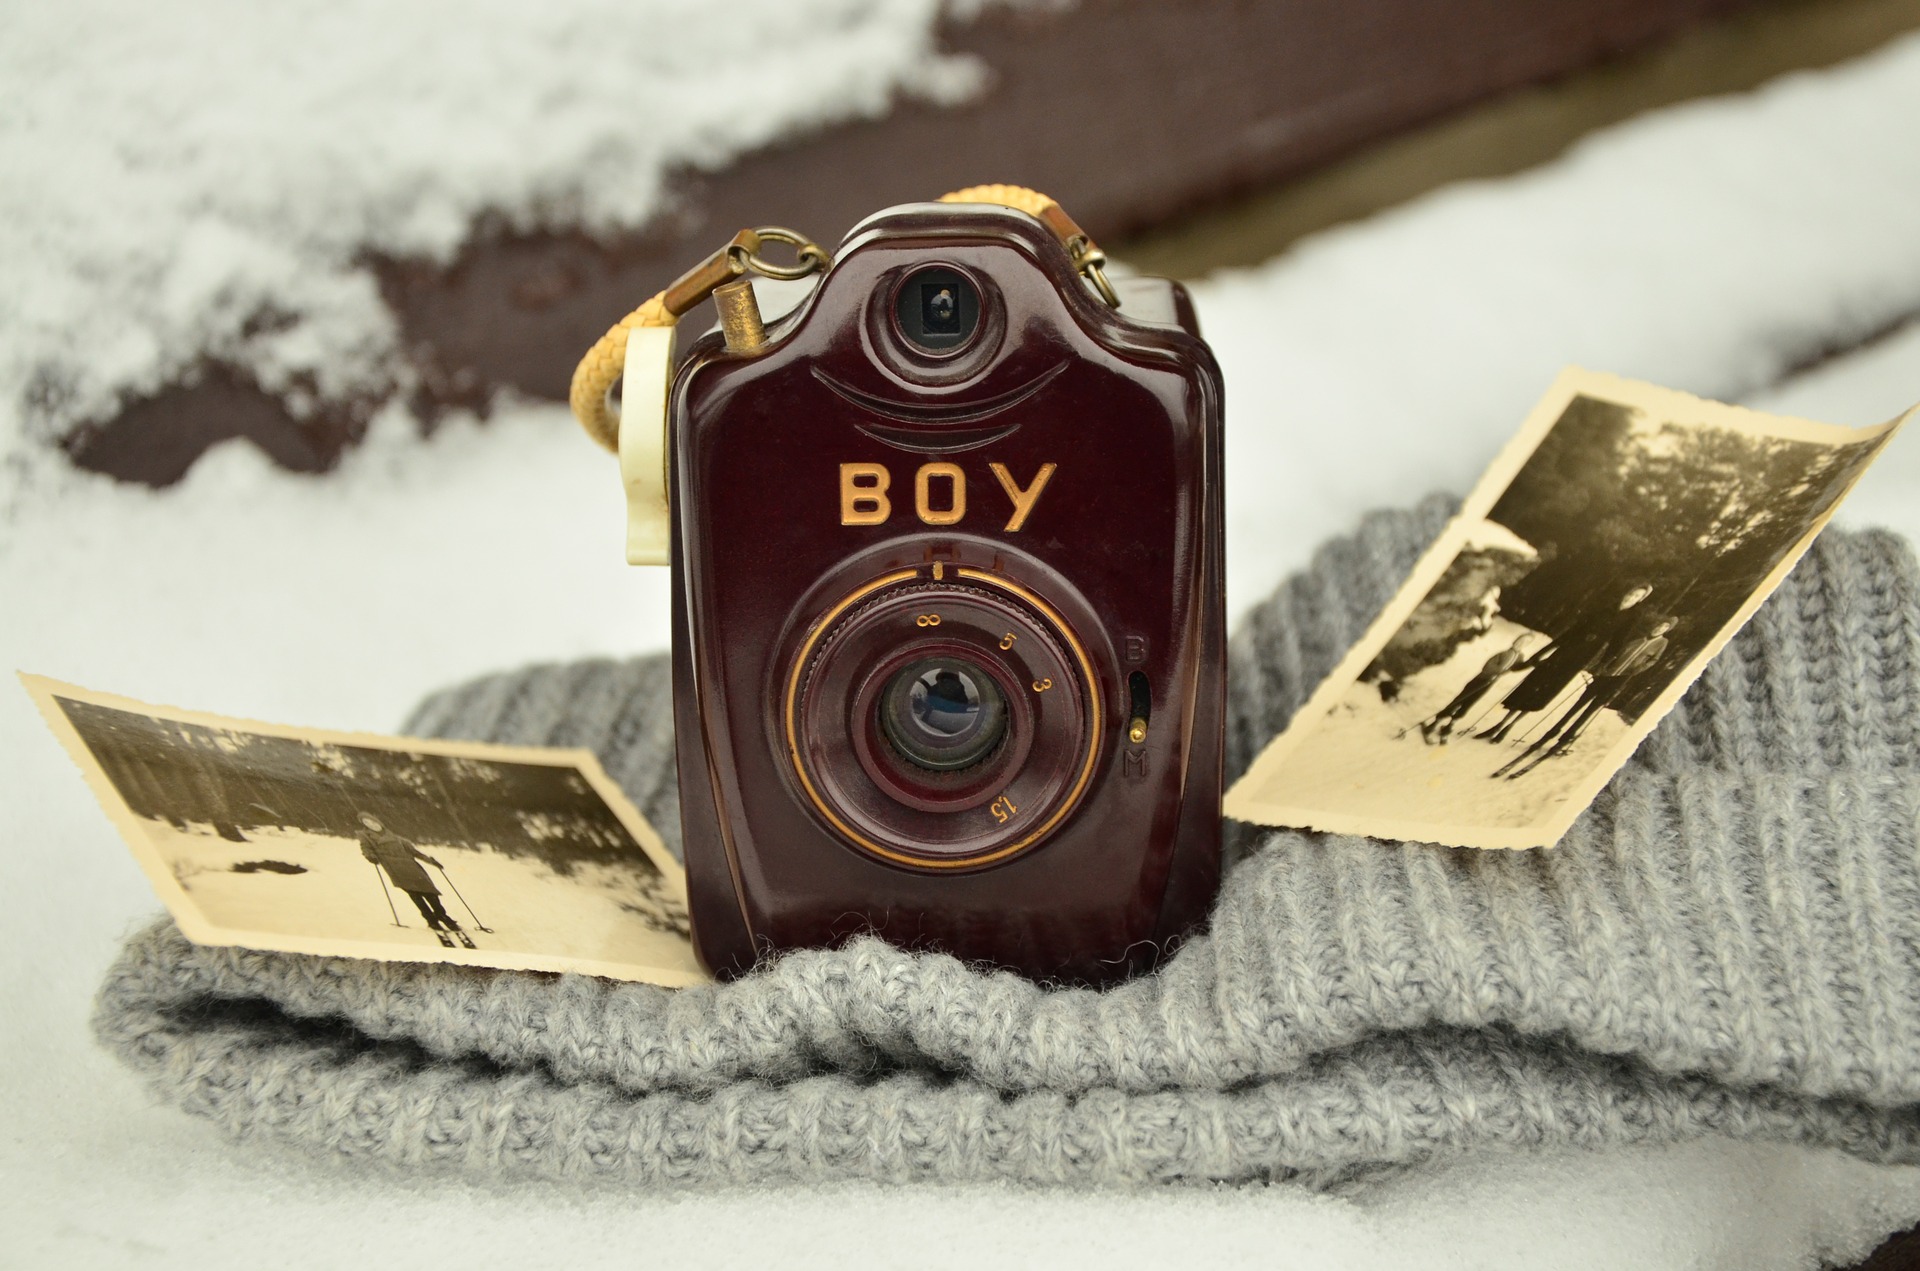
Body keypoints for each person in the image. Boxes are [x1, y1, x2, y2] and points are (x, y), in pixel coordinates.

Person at [1497, 616, 1675, 779]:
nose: (1659, 628)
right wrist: (1602, 667)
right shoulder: (1637, 639)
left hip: (1620, 680)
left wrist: (1636, 670)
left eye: (1664, 627)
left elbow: (1653, 661)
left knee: (1589, 710)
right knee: (1577, 705)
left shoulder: (1662, 643)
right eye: (1659, 625)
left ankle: (1565, 738)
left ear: (1666, 630)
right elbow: (1615, 654)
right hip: (1605, 675)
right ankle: (1551, 733)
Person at [1475, 582, 1653, 743]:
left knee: (1544, 692)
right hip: (1566, 650)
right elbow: (1573, 630)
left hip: (1579, 658)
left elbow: (1617, 643)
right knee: (1531, 685)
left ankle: (1507, 728)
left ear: (1640, 600)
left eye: (1637, 597)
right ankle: (1499, 725)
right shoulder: (1604, 608)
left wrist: (1605, 664)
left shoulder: (1630, 618)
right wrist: (1544, 652)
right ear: (1626, 593)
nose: (1631, 598)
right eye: (1631, 594)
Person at [357, 812, 471, 947]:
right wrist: (370, 856)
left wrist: (431, 861)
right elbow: (365, 849)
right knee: (415, 894)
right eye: (367, 824)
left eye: (372, 822)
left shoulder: (396, 837)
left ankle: (441, 915)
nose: (371, 825)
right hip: (395, 868)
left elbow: (415, 853)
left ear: (378, 822)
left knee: (430, 892)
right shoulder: (366, 837)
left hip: (412, 867)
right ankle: (431, 919)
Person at [1419, 632, 1543, 744]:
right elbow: (1488, 667)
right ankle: (1434, 724)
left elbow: (1516, 667)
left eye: (1525, 642)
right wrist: (1498, 672)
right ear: (1515, 640)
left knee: (1469, 703)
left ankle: (1449, 726)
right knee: (1460, 700)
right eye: (1520, 640)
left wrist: (1530, 664)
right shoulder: (1504, 653)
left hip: (1488, 685)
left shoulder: (1519, 656)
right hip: (1480, 680)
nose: (1521, 644)